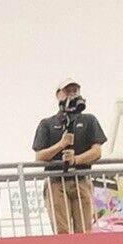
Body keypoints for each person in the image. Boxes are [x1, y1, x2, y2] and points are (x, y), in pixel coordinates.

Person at [32, 78, 105, 234]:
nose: (72, 94)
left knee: (84, 231)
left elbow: (97, 151)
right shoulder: (47, 123)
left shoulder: (89, 120)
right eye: (68, 91)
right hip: (56, 182)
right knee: (62, 231)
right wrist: (62, 144)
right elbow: (40, 156)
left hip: (82, 180)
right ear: (58, 95)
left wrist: (75, 160)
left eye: (75, 90)